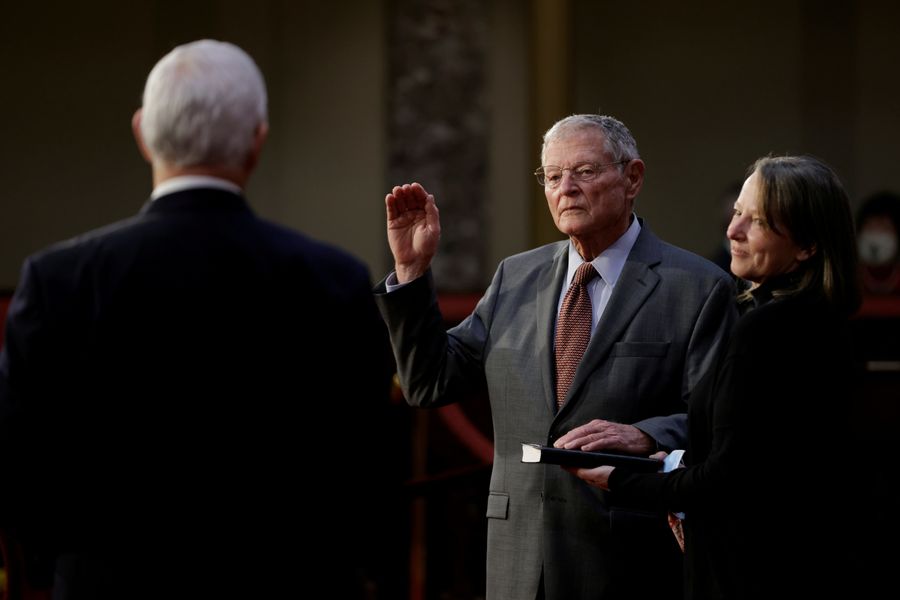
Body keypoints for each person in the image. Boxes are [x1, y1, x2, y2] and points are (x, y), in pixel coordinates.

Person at [0, 40, 393, 599]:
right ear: (257, 141)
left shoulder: (57, 280)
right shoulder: (333, 280)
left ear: (141, 133)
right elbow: (366, 470)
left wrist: (72, 564)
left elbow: (19, 465)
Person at [375, 114, 737, 599]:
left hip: (626, 555)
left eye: (584, 172)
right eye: (552, 176)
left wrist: (646, 434)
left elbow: (719, 426)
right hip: (517, 553)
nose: (565, 188)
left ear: (632, 179)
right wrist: (412, 271)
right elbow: (428, 382)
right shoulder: (515, 277)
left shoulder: (696, 286)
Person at [558, 155, 864, 599]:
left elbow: (729, 480)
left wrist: (621, 479)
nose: (732, 231)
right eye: (737, 212)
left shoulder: (768, 329)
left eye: (756, 221)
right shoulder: (825, 320)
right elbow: (767, 458)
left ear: (807, 246)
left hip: (756, 571)